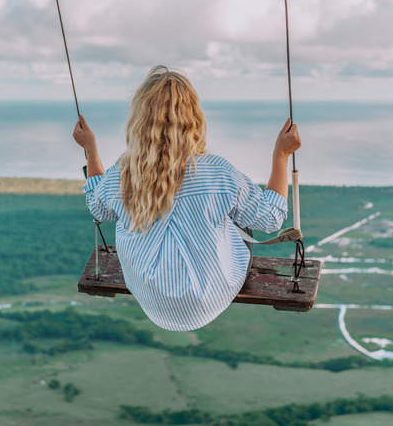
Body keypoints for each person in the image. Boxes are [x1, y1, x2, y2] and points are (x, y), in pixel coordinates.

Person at [72, 65, 301, 331]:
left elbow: (98, 208)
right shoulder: (218, 172)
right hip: (211, 298)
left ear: (140, 121)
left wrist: (90, 148)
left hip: (151, 298)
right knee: (240, 220)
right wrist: (281, 156)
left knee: (128, 212)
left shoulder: (123, 173)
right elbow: (271, 217)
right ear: (193, 117)